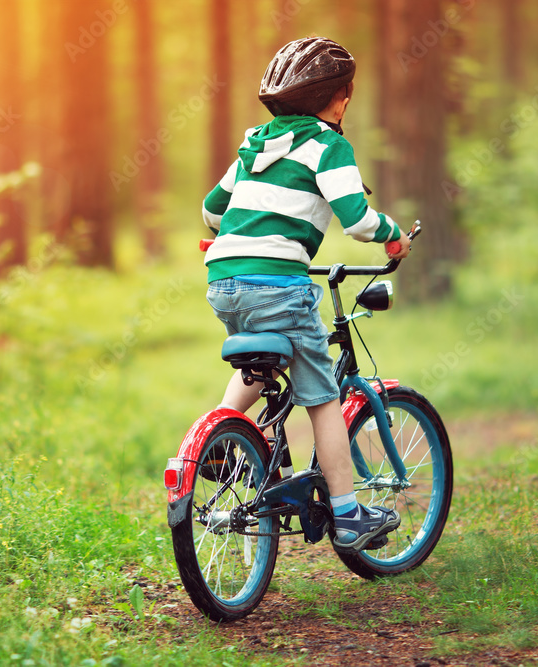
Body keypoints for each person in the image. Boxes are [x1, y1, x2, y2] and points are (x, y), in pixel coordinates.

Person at [202, 37, 411, 552]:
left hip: (224, 280)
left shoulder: (254, 143)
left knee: (257, 364)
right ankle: (347, 514)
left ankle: (223, 436)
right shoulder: (328, 145)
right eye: (346, 96)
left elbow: (211, 210)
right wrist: (392, 233)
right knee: (322, 397)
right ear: (339, 99)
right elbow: (357, 220)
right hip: (279, 283)